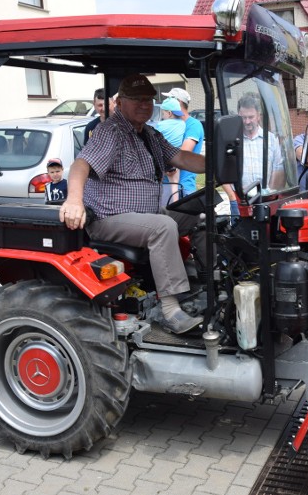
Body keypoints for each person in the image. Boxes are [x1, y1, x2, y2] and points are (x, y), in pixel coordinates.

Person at [60, 74, 206, 334]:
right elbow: (81, 164)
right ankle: (170, 310)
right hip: (109, 217)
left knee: (196, 215)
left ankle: (207, 282)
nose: (144, 104)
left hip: (143, 215)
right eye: (137, 99)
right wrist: (74, 200)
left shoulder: (148, 133)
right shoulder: (111, 131)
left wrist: (220, 164)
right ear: (120, 101)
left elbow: (181, 158)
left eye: (149, 99)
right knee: (163, 226)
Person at [163, 87, 203, 196]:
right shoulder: (170, 124)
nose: (165, 102)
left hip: (184, 188)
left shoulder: (193, 125)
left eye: (170, 99)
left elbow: (183, 154)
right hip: (166, 185)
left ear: (178, 102)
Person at [153, 97, 186, 207]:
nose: (163, 116)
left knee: (159, 183)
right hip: (175, 158)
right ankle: (175, 206)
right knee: (175, 184)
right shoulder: (183, 124)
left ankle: (160, 206)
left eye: (163, 113)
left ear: (169, 113)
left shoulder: (161, 125)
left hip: (162, 158)